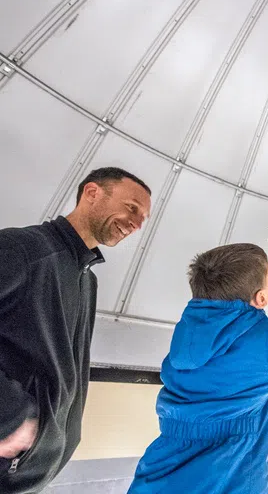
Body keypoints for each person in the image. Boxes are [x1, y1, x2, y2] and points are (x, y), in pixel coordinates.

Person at [127, 244, 268, 494]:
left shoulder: (187, 337)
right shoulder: (265, 346)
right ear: (261, 298)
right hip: (228, 472)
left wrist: (265, 286)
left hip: (162, 472)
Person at [0, 167, 152, 493]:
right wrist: (8, 416)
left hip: (27, 475)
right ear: (92, 193)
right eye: (131, 207)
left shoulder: (86, 280)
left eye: (144, 218)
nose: (138, 224)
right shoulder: (23, 250)